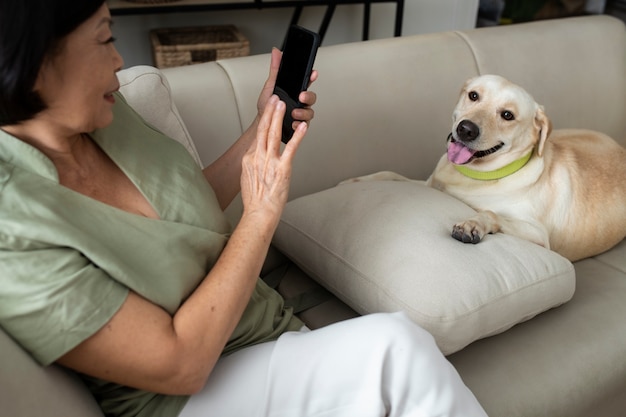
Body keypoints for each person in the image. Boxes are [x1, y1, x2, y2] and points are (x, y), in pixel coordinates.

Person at [0, 1, 488, 416]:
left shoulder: (100, 112)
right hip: (182, 398)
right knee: (395, 350)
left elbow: (177, 219)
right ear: (39, 58)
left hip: (261, 336)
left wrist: (264, 128)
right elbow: (179, 364)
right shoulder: (11, 226)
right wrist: (259, 216)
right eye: (105, 38)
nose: (119, 58)